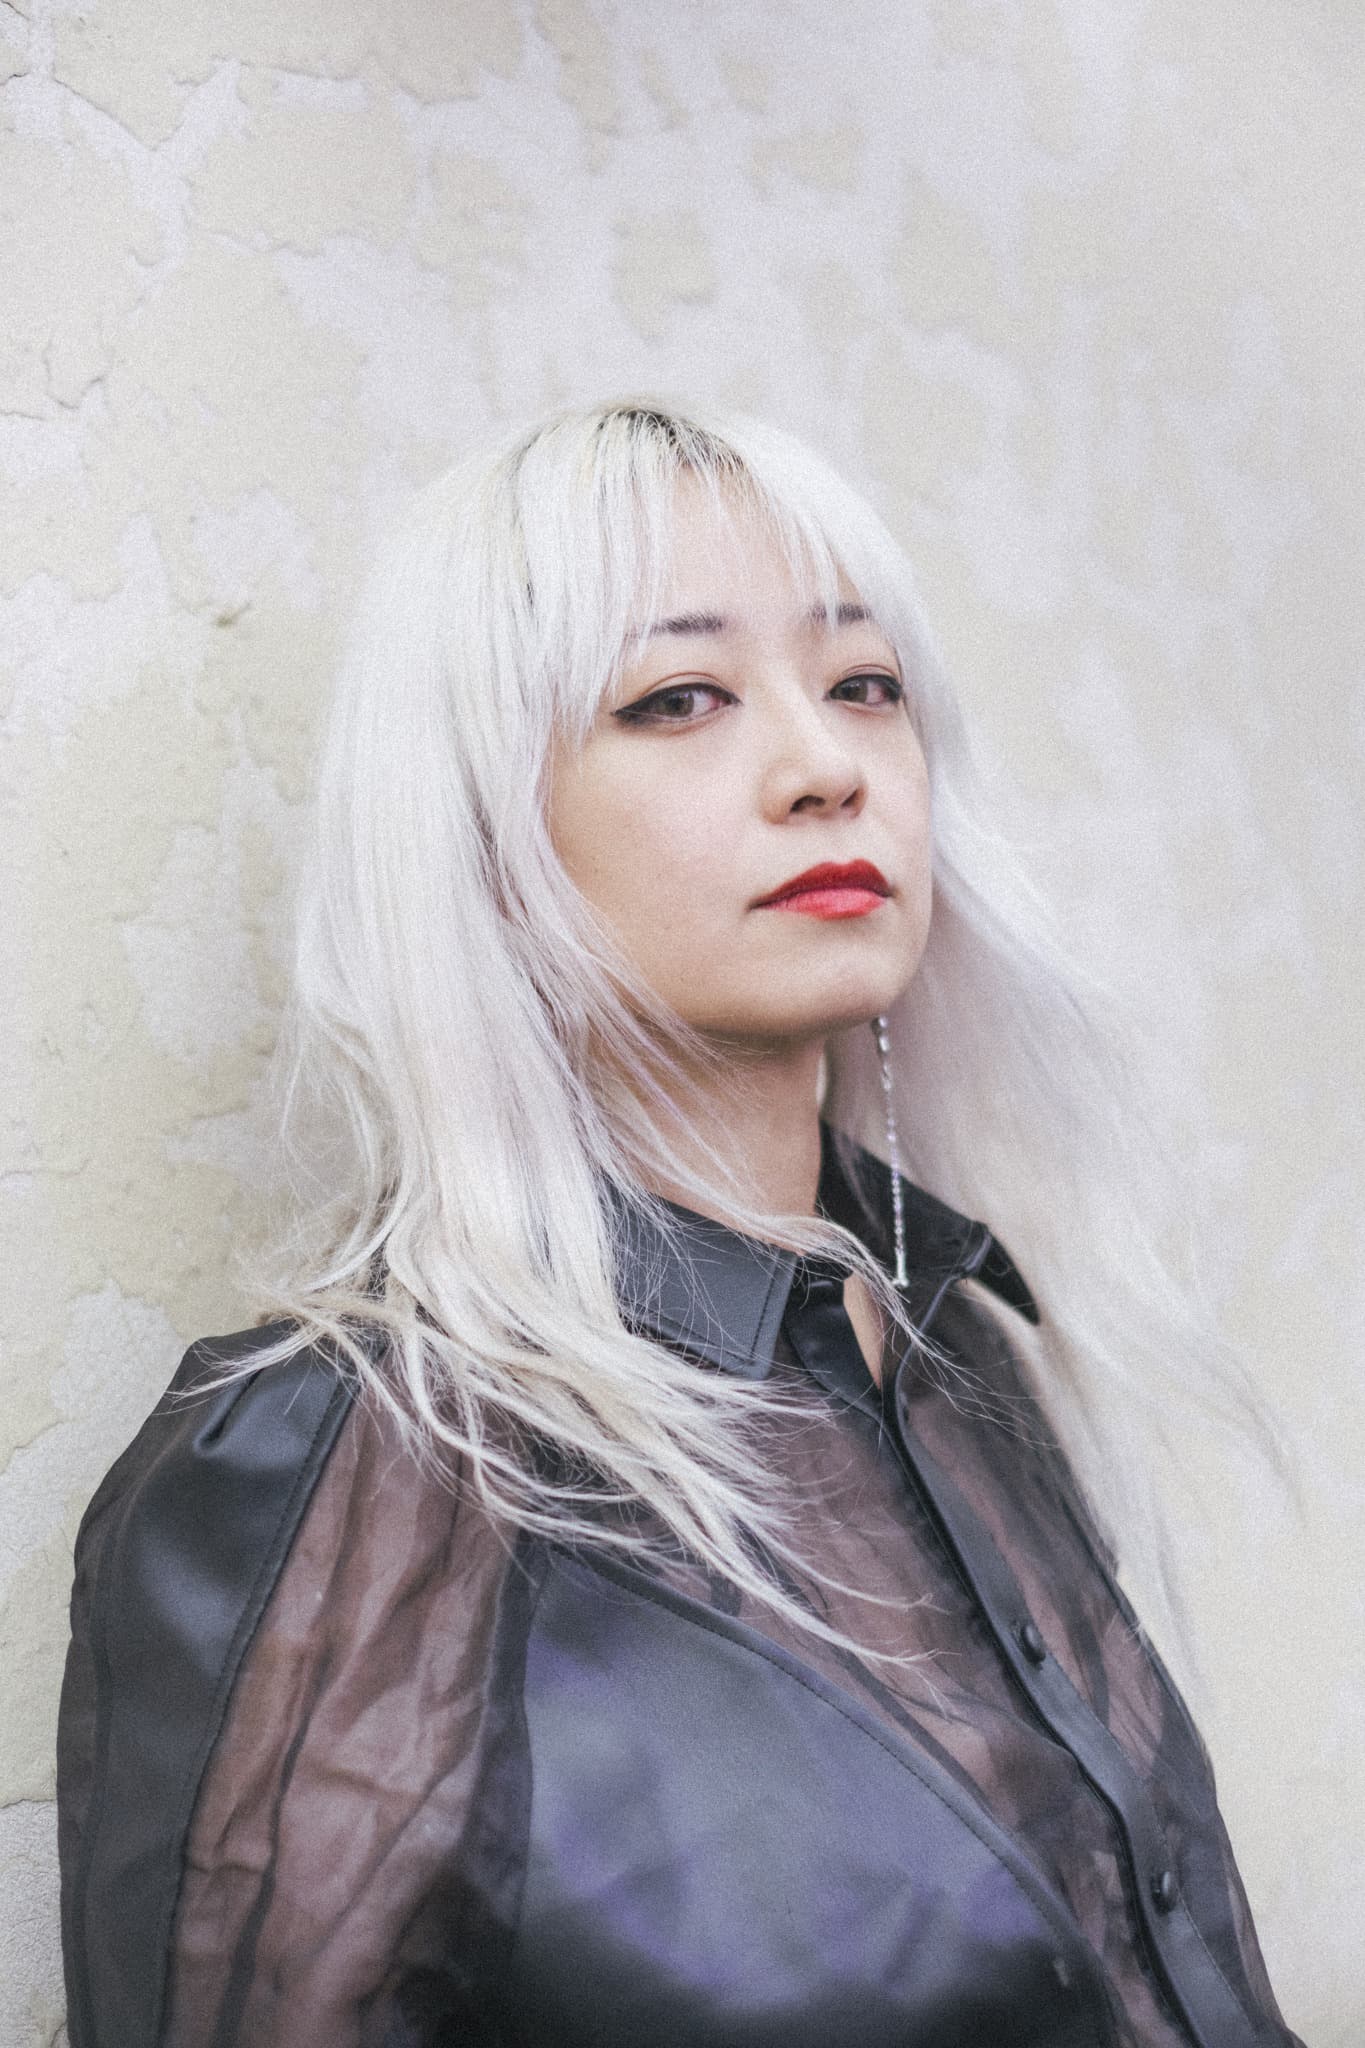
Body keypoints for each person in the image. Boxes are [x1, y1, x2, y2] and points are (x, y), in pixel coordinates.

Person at [57, 399, 1301, 2048]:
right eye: (677, 697)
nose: (824, 766)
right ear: (484, 836)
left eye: (864, 684)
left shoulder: (957, 1349)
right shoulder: (326, 1472)